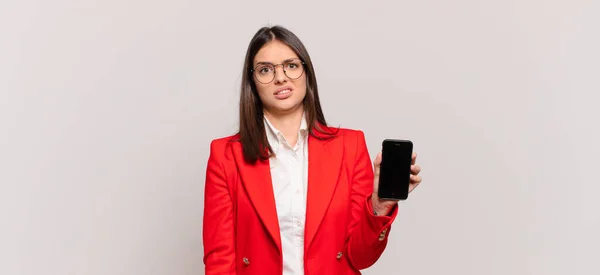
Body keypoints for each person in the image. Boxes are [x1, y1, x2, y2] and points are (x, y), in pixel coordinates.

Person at [202, 25, 423, 275]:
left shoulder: (349, 147)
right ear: (252, 82)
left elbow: (360, 257)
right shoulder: (226, 155)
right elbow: (219, 260)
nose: (281, 78)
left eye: (291, 65)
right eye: (265, 70)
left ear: (307, 72)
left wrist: (380, 205)